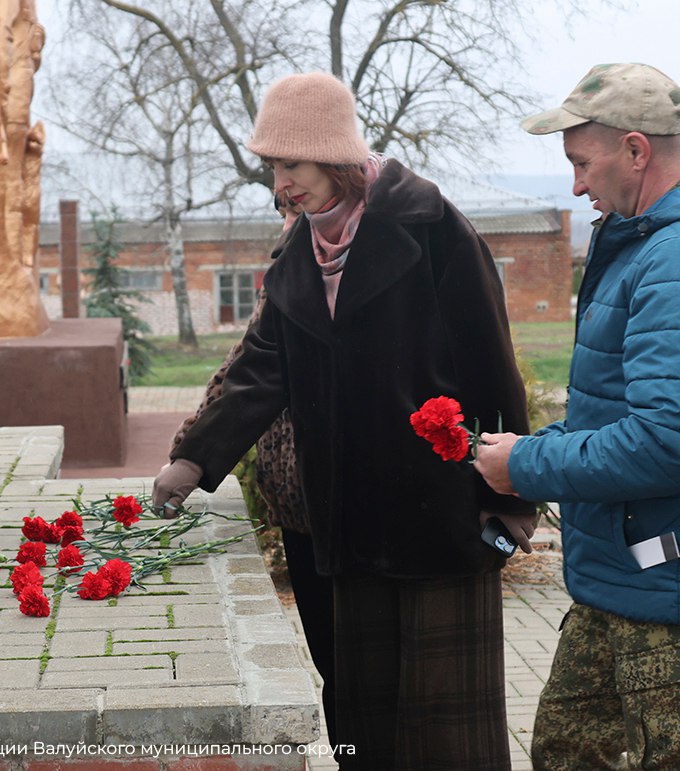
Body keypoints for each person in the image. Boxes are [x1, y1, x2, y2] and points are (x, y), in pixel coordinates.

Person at [153, 72, 538, 770]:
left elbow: (492, 367)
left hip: (439, 516)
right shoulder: (300, 250)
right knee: (364, 723)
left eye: (290, 165)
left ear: (332, 154)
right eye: (272, 168)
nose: (281, 184)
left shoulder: (432, 229)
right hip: (348, 523)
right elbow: (261, 367)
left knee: (447, 729)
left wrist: (510, 502)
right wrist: (194, 459)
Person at [474, 62, 680, 770]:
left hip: (663, 581)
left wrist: (527, 464)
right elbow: (616, 411)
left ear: (635, 150)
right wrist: (536, 447)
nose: (575, 185)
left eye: (581, 162)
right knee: (565, 752)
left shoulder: (671, 260)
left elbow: (663, 441)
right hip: (619, 574)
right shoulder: (638, 245)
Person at [169, 192, 342, 745]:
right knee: (332, 666)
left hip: (351, 506)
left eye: (298, 209)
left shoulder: (350, 273)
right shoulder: (287, 276)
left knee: (360, 672)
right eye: (284, 212)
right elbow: (241, 369)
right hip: (296, 508)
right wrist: (188, 454)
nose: (288, 222)